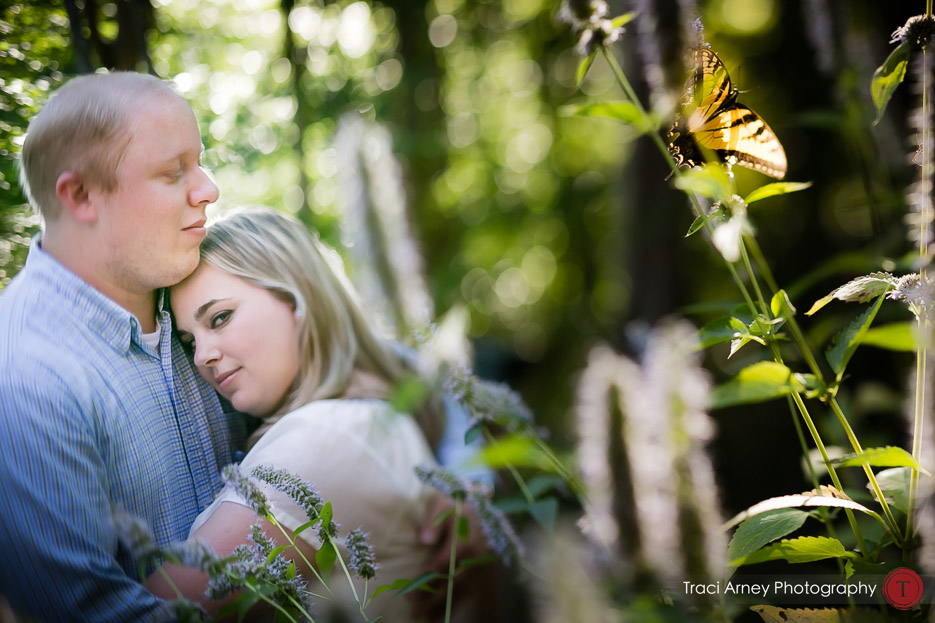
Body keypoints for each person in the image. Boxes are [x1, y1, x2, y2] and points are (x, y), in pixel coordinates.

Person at [0, 72, 241, 621]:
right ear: (81, 195)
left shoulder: (200, 303)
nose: (207, 189)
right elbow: (88, 614)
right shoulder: (24, 378)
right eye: (172, 171)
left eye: (199, 162)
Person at [155, 207, 470, 621]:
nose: (202, 356)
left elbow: (150, 612)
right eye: (187, 339)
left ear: (298, 299)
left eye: (220, 317)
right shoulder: (368, 415)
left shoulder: (324, 440)